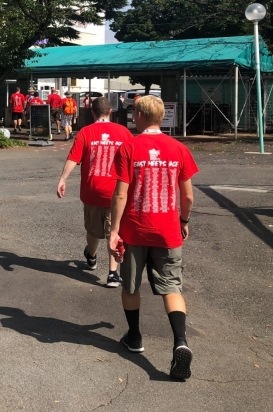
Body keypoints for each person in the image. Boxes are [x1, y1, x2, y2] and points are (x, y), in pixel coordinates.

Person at [108, 95, 199, 380]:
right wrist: (183, 221)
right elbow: (188, 196)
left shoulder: (129, 147)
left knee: (131, 286)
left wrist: (113, 230)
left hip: (135, 229)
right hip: (167, 230)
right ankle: (180, 342)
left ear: (139, 115)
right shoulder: (179, 148)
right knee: (172, 287)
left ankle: (135, 337)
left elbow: (121, 193)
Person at [56, 97, 133, 287]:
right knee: (114, 231)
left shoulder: (85, 132)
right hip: (117, 192)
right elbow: (134, 160)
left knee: (92, 229)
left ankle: (91, 255)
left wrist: (63, 179)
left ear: (92, 113)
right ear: (110, 112)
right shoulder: (124, 132)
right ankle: (112, 274)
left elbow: (74, 158)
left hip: (92, 190)